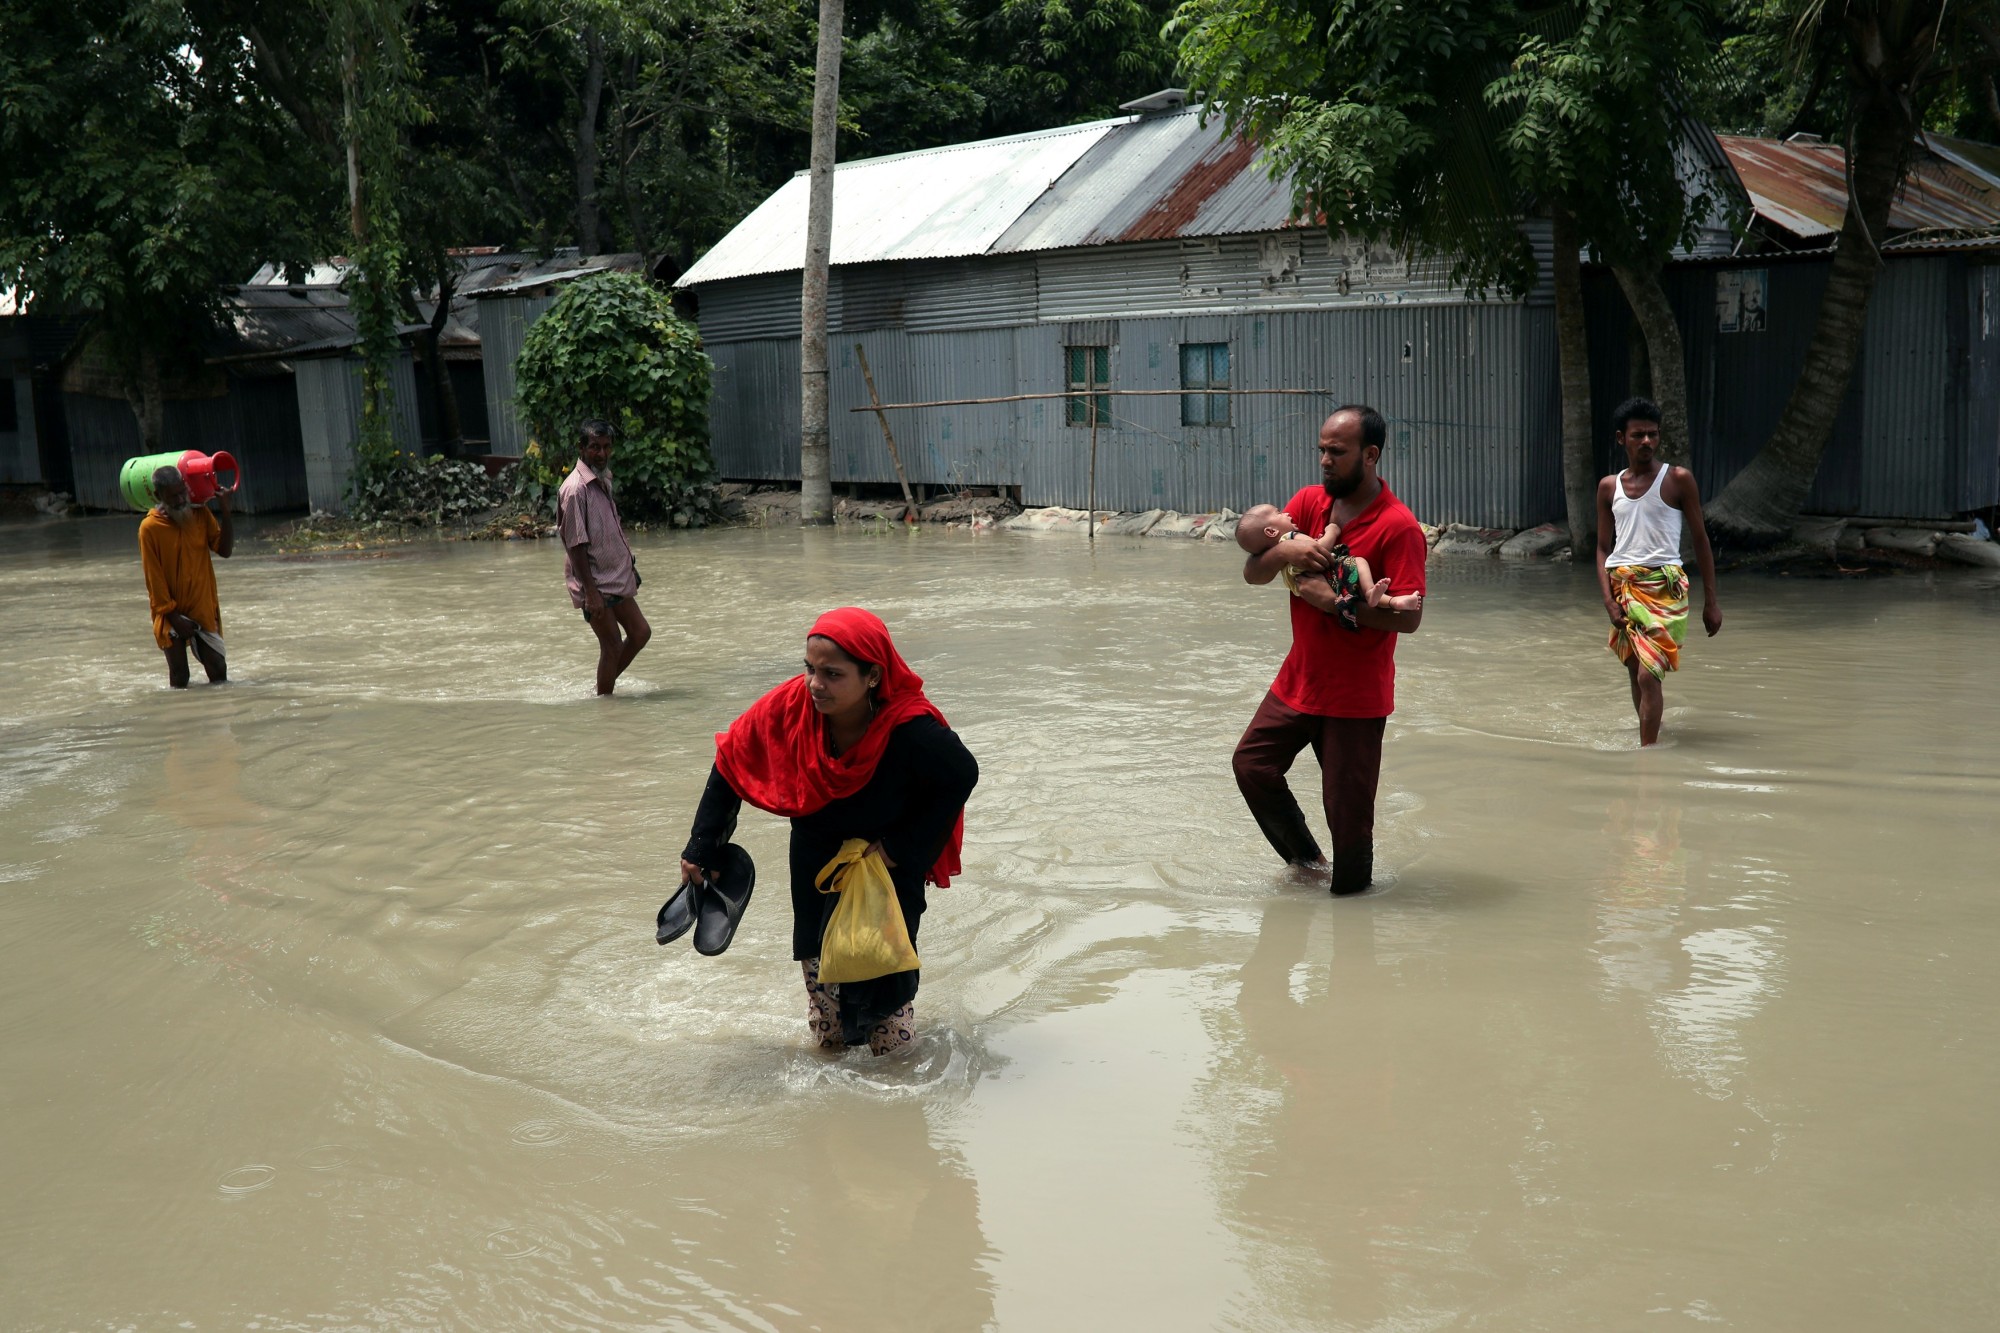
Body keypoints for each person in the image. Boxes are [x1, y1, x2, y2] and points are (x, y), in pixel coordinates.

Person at [679, 608, 978, 1055]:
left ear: (873, 676)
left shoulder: (911, 729)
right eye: (810, 669)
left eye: (833, 674)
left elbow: (960, 775)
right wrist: (702, 849)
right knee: (827, 1010)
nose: (816, 684)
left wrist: (898, 849)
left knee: (887, 1010)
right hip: (816, 859)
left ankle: (892, 1097)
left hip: (884, 869)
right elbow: (732, 758)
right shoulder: (792, 707)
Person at [1232, 406, 1428, 896]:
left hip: (1356, 698)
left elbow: (1411, 618)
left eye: (1336, 452)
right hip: (1298, 681)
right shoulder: (1307, 503)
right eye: (1321, 450)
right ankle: (1307, 863)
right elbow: (1253, 573)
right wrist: (1284, 552)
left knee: (1350, 824)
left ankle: (1353, 923)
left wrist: (1333, 604)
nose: (1324, 460)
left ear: (1371, 455)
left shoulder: (1398, 526)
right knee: (1252, 766)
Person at [1595, 396, 1722, 746]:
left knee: (1650, 676)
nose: (1647, 441)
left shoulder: (1678, 479)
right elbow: (1603, 548)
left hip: (1665, 588)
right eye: (1638, 435)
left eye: (1652, 434)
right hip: (1624, 587)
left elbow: (1700, 541)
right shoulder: (1609, 486)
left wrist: (1711, 602)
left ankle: (1647, 758)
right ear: (1622, 439)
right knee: (1636, 671)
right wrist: (1608, 600)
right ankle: (1649, 736)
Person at [558, 419, 650, 695]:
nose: (601, 453)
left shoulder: (603, 478)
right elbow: (575, 545)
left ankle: (600, 688)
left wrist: (628, 568)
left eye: (607, 447)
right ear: (581, 448)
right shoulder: (575, 490)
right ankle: (604, 703)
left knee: (640, 633)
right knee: (611, 644)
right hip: (594, 582)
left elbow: (612, 529)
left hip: (614, 575)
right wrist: (591, 593)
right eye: (595, 447)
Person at [1235, 502, 1424, 626]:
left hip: (1321, 584)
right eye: (1278, 512)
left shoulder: (1280, 554)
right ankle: (1383, 598)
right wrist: (1332, 532)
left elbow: (1409, 623)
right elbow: (1319, 550)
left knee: (1358, 593)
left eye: (1337, 451)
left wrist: (1331, 603)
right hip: (1333, 574)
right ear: (1270, 531)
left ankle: (1386, 599)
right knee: (1359, 562)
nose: (1286, 513)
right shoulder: (1290, 536)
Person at [139, 465, 234, 689]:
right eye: (173, 496)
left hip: (201, 606)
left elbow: (225, 550)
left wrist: (226, 511)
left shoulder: (199, 514)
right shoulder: (149, 528)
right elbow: (154, 579)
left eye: (183, 492)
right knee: (180, 676)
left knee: (218, 669)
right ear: (158, 496)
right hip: (170, 612)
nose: (181, 499)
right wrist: (175, 618)